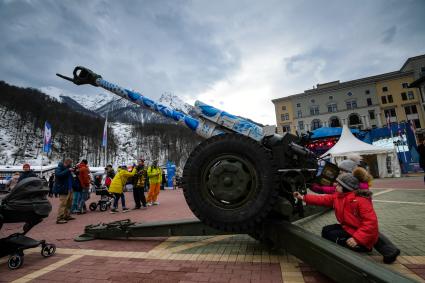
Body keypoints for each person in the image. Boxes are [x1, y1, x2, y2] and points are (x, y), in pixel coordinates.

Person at [310, 156, 400, 263]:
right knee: (372, 233)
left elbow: (331, 190)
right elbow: (332, 192)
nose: (339, 173)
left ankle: (368, 247)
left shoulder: (353, 185)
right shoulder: (355, 183)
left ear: (349, 172)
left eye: (342, 171)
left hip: (357, 218)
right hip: (356, 217)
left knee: (370, 233)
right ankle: (390, 251)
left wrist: (315, 187)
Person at [295, 171, 379, 253]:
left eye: (339, 185)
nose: (335, 186)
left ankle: (359, 247)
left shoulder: (361, 201)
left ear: (346, 187)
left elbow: (371, 223)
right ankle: (336, 248)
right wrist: (303, 197)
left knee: (332, 235)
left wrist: (357, 239)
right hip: (349, 227)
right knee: (326, 230)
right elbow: (323, 199)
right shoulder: (339, 196)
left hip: (358, 232)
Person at [53, 158, 75, 224]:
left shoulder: (68, 169)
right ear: (66, 162)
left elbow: (70, 178)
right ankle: (60, 218)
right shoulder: (59, 168)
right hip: (63, 189)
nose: (70, 164)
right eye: (70, 163)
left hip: (70, 188)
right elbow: (59, 175)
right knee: (63, 204)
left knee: (69, 203)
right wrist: (68, 170)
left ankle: (67, 215)